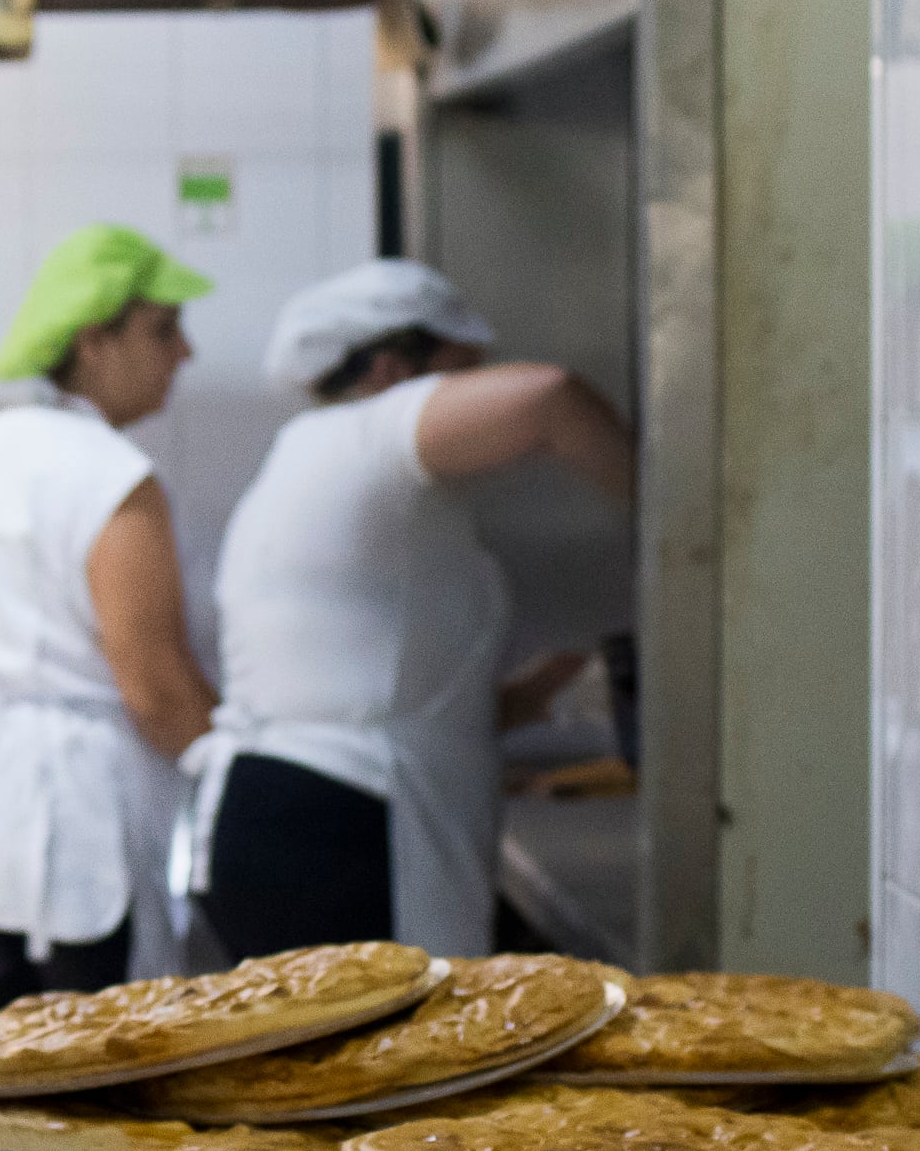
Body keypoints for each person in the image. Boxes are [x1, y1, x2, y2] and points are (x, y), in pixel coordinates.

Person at [175, 259, 636, 960]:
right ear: (391, 367)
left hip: (275, 816)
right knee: (387, 1062)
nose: (472, 385)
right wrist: (682, 526)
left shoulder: (307, 454)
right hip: (338, 828)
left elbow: (365, 683)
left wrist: (534, 694)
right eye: (461, 370)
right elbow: (550, 397)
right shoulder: (373, 433)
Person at [0, 225, 218, 1027]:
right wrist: (235, 790)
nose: (184, 353)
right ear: (94, 341)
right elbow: (154, 686)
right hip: (86, 808)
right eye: (163, 330)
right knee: (89, 1058)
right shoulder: (117, 479)